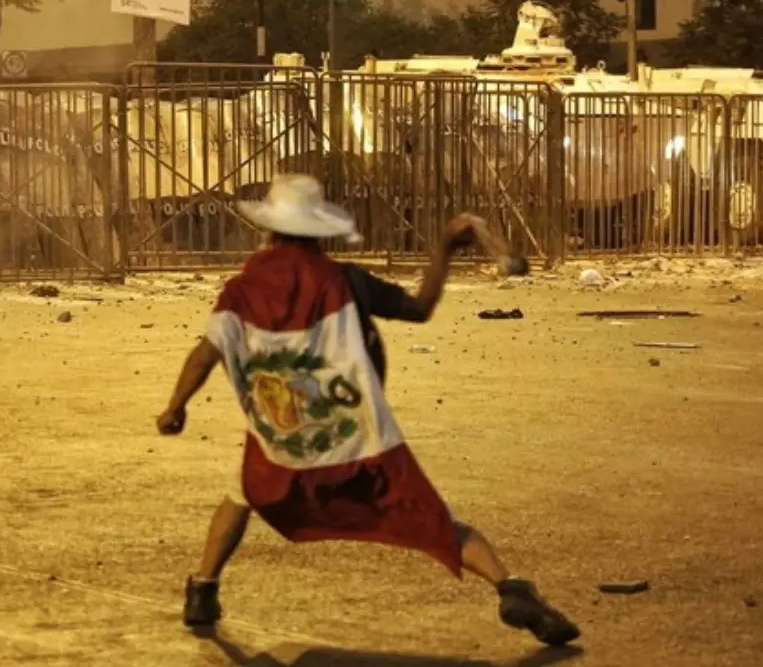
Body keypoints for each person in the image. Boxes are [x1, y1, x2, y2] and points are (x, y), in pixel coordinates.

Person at [155, 173, 580, 647]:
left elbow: (206, 352)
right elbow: (420, 307)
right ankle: (510, 586)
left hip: (285, 443)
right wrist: (444, 247)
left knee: (243, 492)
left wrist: (175, 407)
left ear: (270, 230)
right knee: (433, 517)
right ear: (320, 232)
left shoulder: (241, 290)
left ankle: (203, 589)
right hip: (358, 441)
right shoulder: (346, 280)